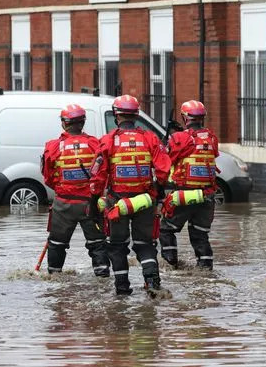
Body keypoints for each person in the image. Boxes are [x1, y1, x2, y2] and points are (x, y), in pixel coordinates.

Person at [88, 94, 171, 296]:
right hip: (145, 200)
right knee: (145, 244)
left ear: (117, 115)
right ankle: (152, 282)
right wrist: (158, 191)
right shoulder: (150, 138)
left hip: (117, 201)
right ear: (135, 115)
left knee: (117, 246)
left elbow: (97, 176)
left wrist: (94, 202)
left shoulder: (108, 141)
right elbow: (163, 170)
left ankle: (122, 288)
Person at [40, 104, 110, 277]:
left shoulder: (53, 146)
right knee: (97, 243)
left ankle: (54, 277)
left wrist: (64, 189)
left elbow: (48, 177)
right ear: (83, 122)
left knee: (57, 243)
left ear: (64, 123)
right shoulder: (95, 143)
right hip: (90, 204)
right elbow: (104, 173)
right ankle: (102, 278)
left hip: (64, 204)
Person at [159, 100, 219, 270]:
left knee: (166, 228)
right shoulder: (212, 138)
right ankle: (206, 268)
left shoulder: (180, 138)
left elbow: (166, 158)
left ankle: (170, 265)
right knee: (200, 235)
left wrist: (170, 138)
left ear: (185, 118)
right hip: (207, 196)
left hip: (185, 194)